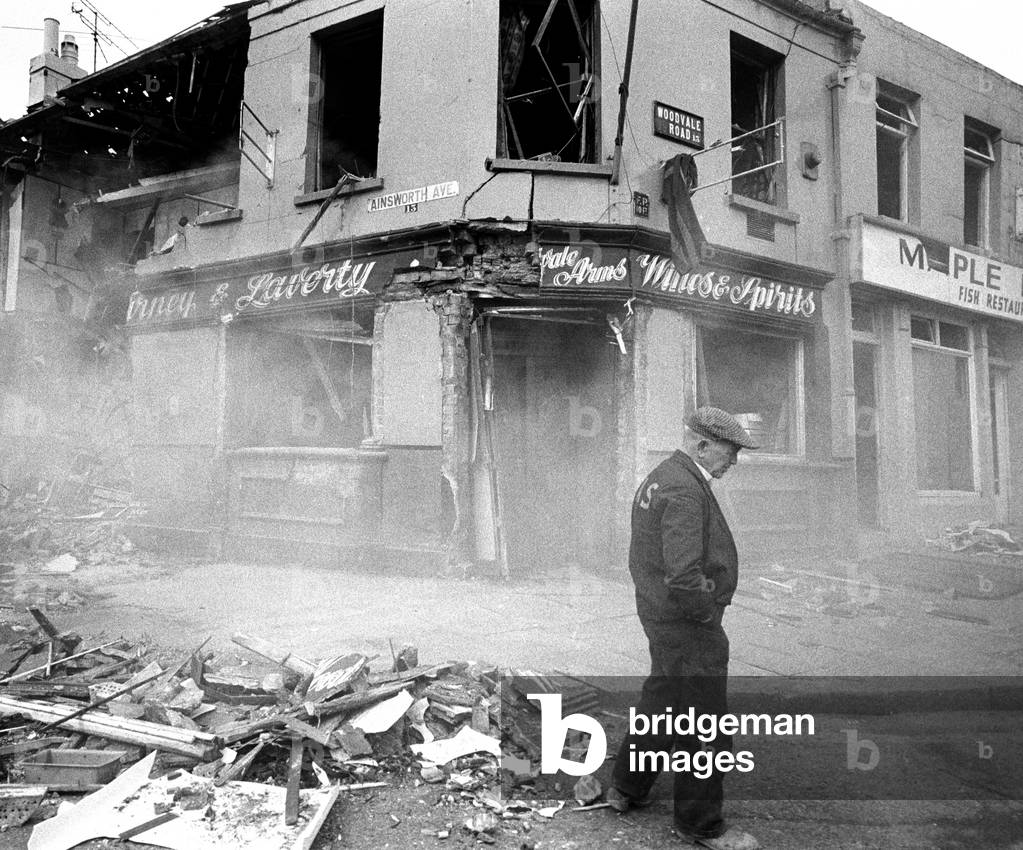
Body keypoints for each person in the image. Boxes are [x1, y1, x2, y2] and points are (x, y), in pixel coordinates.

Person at [609, 406, 760, 850]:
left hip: (661, 615)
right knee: (704, 720)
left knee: (663, 700)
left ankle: (626, 787)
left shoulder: (664, 476)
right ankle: (700, 823)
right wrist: (707, 616)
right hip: (687, 622)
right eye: (730, 452)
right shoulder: (685, 490)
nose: (733, 461)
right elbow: (683, 573)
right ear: (703, 445)